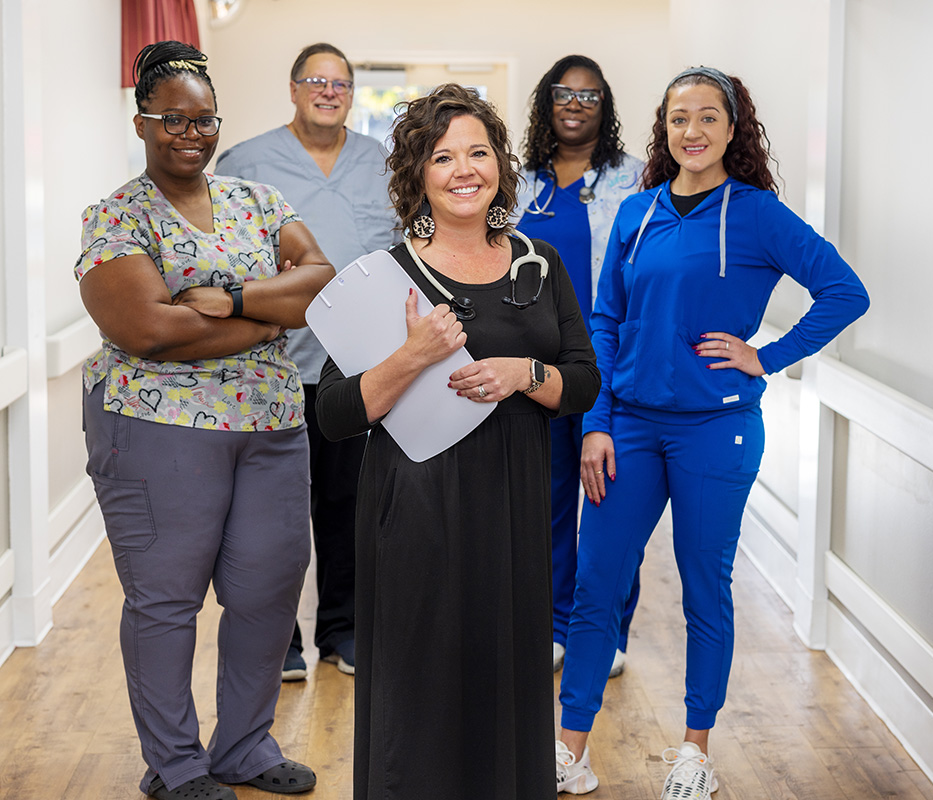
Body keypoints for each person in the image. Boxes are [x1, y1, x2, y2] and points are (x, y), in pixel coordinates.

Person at [553, 67, 869, 798]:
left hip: (716, 434)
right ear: (662, 130)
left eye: (706, 118)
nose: (690, 132)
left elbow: (844, 291)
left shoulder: (757, 215)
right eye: (676, 120)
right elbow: (605, 322)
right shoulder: (637, 213)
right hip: (626, 427)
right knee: (596, 588)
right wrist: (595, 424)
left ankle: (695, 750)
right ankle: (571, 750)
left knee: (705, 592)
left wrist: (766, 356)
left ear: (733, 129)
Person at [316, 84, 600, 799]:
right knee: (421, 688)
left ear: (500, 165)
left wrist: (521, 372)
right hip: (415, 512)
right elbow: (338, 413)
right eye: (443, 157)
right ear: (418, 176)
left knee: (502, 672)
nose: (463, 169)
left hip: (511, 510)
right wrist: (413, 354)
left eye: (478, 152)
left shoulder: (541, 265)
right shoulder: (387, 277)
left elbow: (583, 384)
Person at [74, 41, 335, 800]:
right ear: (142, 123)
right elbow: (147, 330)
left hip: (272, 426)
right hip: (158, 430)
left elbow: (317, 283)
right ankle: (177, 766)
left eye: (204, 120)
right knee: (166, 597)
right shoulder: (117, 216)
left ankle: (245, 747)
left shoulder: (259, 202)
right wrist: (267, 316)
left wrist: (230, 302)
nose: (191, 133)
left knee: (266, 589)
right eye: (173, 120)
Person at [213, 42, 396, 681]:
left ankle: (342, 633)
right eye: (316, 81)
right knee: (270, 518)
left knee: (349, 511)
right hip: (271, 371)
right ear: (293, 89)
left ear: (352, 94)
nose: (329, 91)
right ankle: (279, 640)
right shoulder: (247, 163)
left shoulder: (383, 163)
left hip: (355, 370)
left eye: (341, 83)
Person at [513, 55, 645, 680]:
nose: (575, 104)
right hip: (536, 367)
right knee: (549, 499)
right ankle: (553, 624)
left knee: (611, 502)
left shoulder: (637, 181)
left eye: (589, 96)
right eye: (563, 93)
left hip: (609, 363)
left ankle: (606, 631)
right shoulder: (517, 183)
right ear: (546, 103)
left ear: (605, 107)